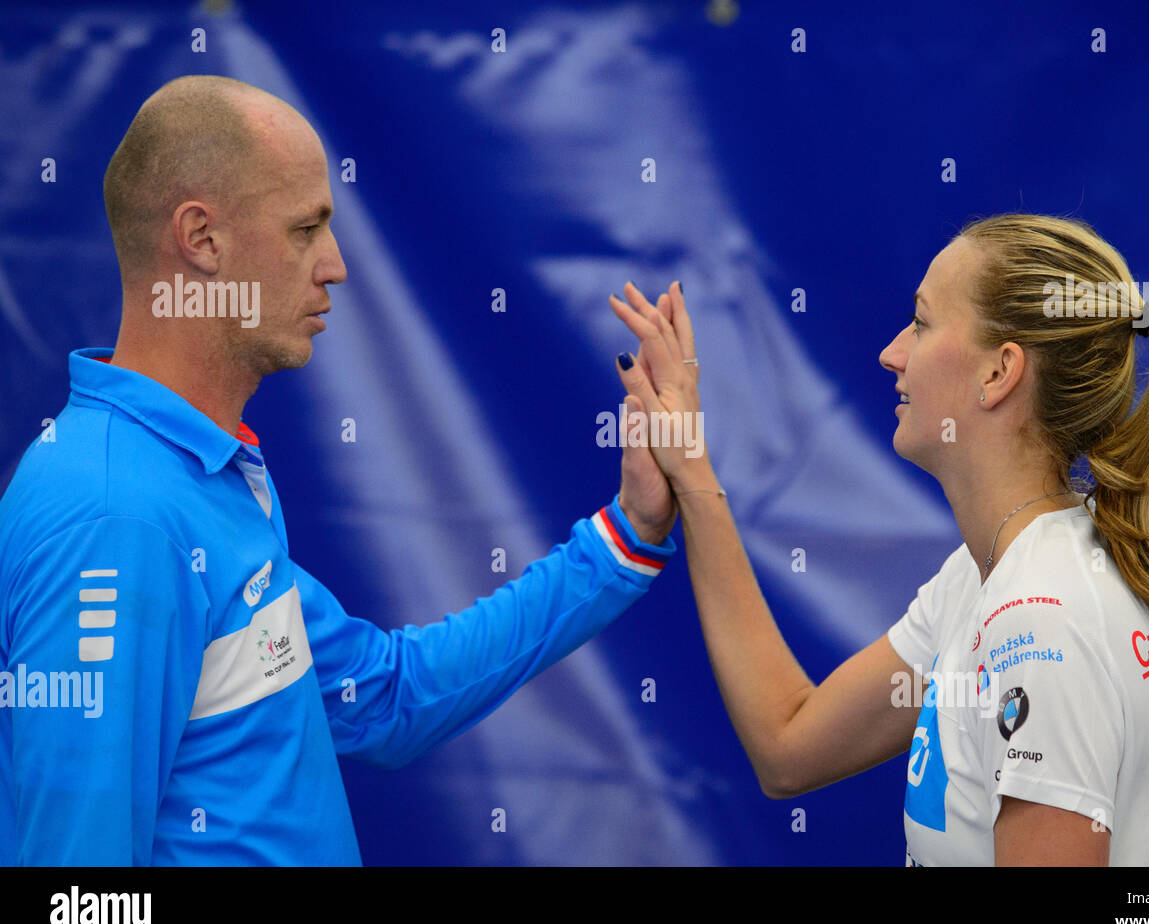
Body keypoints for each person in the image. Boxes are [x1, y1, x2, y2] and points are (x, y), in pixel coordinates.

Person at [0, 75, 678, 865]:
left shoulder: (193, 474)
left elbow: (384, 698)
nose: (336, 265)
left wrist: (628, 534)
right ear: (202, 239)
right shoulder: (117, 517)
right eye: (306, 228)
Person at [609, 213, 1149, 865]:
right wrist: (690, 468)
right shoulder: (989, 576)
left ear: (999, 373)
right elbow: (788, 744)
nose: (892, 352)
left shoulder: (1042, 624)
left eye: (922, 323)